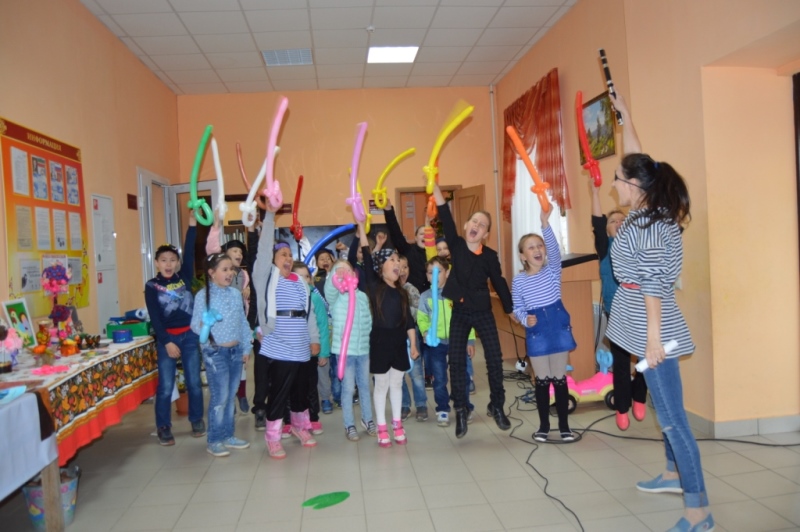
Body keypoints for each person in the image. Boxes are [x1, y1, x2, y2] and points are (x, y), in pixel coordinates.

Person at [606, 148, 713, 532]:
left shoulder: (648, 225)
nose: (614, 185)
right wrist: (626, 119)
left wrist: (652, 342)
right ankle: (672, 473)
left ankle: (699, 512)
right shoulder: (650, 213)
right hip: (642, 320)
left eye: (618, 179)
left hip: (654, 327)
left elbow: (652, 283)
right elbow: (641, 158)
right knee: (665, 408)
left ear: (635, 185)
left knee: (673, 421)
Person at [432, 182, 514, 438]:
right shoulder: (456, 245)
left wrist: (510, 308)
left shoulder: (489, 256)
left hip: (482, 311)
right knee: (456, 361)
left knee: (494, 359)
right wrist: (434, 186)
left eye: (482, 225)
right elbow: (444, 214)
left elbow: (499, 281)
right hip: (460, 312)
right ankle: (461, 409)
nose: (477, 226)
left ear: (485, 234)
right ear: (467, 225)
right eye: (474, 221)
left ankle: (497, 405)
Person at [593, 93, 648, 431]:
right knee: (621, 357)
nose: (614, 185)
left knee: (646, 361)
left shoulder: (640, 221)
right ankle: (623, 405)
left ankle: (639, 397)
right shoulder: (611, 242)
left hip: (646, 305)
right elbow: (598, 222)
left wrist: (625, 112)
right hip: (620, 307)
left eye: (618, 179)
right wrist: (595, 190)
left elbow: (638, 163)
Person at [251, 204, 321, 459]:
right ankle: (273, 437)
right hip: (279, 345)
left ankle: (301, 427)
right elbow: (262, 250)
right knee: (279, 393)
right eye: (282, 255)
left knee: (300, 392)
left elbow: (308, 314)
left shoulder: (301, 283)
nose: (288, 258)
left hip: (301, 346)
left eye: (289, 255)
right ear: (272, 260)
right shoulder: (267, 277)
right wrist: (270, 215)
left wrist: (314, 339)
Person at [512, 198, 577, 442]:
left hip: (558, 328)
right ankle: (543, 427)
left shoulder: (552, 270)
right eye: (531, 247)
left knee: (559, 379)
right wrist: (524, 319)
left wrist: (544, 223)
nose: (538, 249)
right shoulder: (519, 281)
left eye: (540, 245)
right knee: (542, 381)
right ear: (523, 256)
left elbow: (554, 250)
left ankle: (564, 427)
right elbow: (517, 307)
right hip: (537, 331)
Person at [144, 212, 205, 446]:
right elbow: (155, 317)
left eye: (172, 260)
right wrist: (167, 341)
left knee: (194, 382)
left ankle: (196, 419)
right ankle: (163, 426)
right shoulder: (152, 286)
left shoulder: (185, 276)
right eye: (164, 260)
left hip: (189, 336)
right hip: (166, 339)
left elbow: (189, 251)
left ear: (177, 263)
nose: (168, 264)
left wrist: (192, 226)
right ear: (157, 263)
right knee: (166, 385)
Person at [358, 220, 419, 448]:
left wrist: (413, 344)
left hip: (398, 342)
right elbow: (366, 253)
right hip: (380, 341)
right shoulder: (374, 285)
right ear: (381, 266)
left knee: (397, 382)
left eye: (398, 260)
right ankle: (382, 426)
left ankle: (397, 424)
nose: (397, 263)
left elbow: (409, 321)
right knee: (381, 384)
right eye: (392, 260)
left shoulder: (402, 292)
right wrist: (361, 227)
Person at [191, 253, 253, 457]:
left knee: (231, 394)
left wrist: (246, 348)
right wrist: (205, 322)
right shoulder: (203, 296)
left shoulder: (235, 294)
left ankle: (228, 435)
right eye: (224, 269)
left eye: (231, 269)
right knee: (220, 396)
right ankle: (214, 439)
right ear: (212, 273)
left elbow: (243, 322)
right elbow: (194, 325)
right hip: (215, 352)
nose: (230, 273)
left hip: (236, 351)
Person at [418, 256, 476, 427]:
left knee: (462, 377)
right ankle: (442, 409)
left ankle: (464, 406)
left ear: (447, 272)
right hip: (436, 344)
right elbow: (422, 318)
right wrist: (425, 331)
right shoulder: (425, 296)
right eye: (430, 272)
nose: (434, 275)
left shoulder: (457, 293)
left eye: (438, 271)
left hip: (458, 340)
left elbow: (468, 317)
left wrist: (470, 339)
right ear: (427, 275)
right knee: (439, 379)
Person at [205, 218, 255, 415]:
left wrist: (248, 291)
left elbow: (245, 302)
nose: (239, 255)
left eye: (241, 252)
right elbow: (212, 248)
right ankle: (228, 401)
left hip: (237, 324)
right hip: (220, 329)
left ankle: (241, 395)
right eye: (235, 251)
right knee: (225, 369)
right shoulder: (219, 271)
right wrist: (216, 227)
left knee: (240, 365)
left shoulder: (244, 275)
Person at [325, 258, 376, 441]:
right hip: (345, 351)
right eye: (339, 271)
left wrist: (368, 341)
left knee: (365, 386)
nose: (344, 273)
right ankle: (349, 424)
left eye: (347, 270)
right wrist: (335, 275)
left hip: (362, 350)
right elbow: (329, 289)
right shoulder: (337, 297)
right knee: (347, 388)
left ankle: (367, 419)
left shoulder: (362, 296)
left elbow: (368, 320)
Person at [278, 261, 331, 437]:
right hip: (290, 352)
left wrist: (323, 352)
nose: (303, 280)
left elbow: (322, 325)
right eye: (299, 277)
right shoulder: (284, 297)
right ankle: (288, 421)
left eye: (306, 277)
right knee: (288, 387)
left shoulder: (314, 298)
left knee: (310, 386)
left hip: (311, 352)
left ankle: (313, 418)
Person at [398, 254, 428, 422]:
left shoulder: (411, 289)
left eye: (405, 267)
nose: (402, 271)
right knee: (398, 374)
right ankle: (404, 405)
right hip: (395, 337)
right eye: (399, 268)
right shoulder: (388, 289)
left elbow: (417, 313)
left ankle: (421, 404)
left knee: (416, 372)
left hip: (411, 334)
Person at [383, 199, 430, 293]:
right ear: (415, 238)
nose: (425, 236)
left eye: (427, 234)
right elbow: (395, 233)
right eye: (421, 234)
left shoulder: (435, 254)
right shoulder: (408, 250)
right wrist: (388, 210)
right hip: (409, 295)